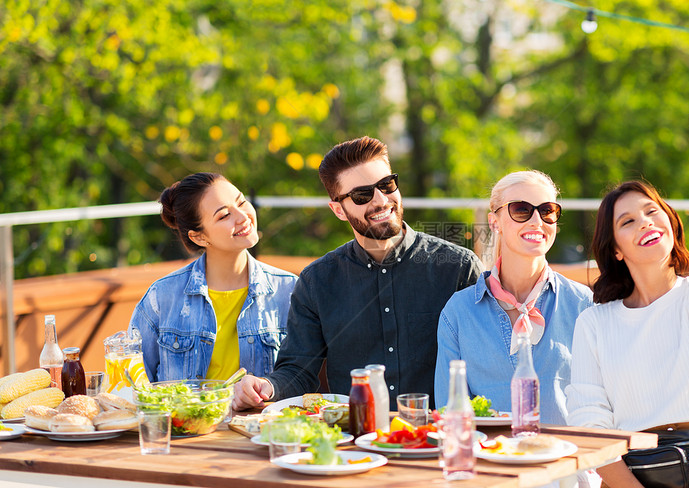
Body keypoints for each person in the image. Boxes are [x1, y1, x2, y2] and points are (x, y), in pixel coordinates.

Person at [565, 108, 689, 487]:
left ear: (671, 224)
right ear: (617, 251)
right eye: (627, 221)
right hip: (631, 471)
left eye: (651, 211)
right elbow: (589, 422)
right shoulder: (595, 322)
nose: (644, 222)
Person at [233, 136, 483, 410]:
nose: (380, 200)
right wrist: (266, 386)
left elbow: (485, 363)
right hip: (354, 443)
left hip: (437, 439)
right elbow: (298, 371)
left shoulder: (458, 267)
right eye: (362, 195)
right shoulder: (316, 281)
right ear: (338, 210)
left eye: (386, 185)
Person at [434, 170, 592, 424]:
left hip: (567, 459)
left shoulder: (582, 303)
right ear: (494, 222)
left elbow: (601, 404)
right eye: (521, 210)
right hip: (489, 459)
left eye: (547, 211)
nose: (536, 221)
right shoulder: (458, 313)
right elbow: (449, 412)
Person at [129, 172, 298, 382]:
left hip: (264, 415)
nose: (243, 216)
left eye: (242, 202)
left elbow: (300, 375)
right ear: (199, 237)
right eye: (224, 215)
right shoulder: (161, 297)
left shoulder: (289, 290)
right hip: (182, 415)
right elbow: (132, 383)